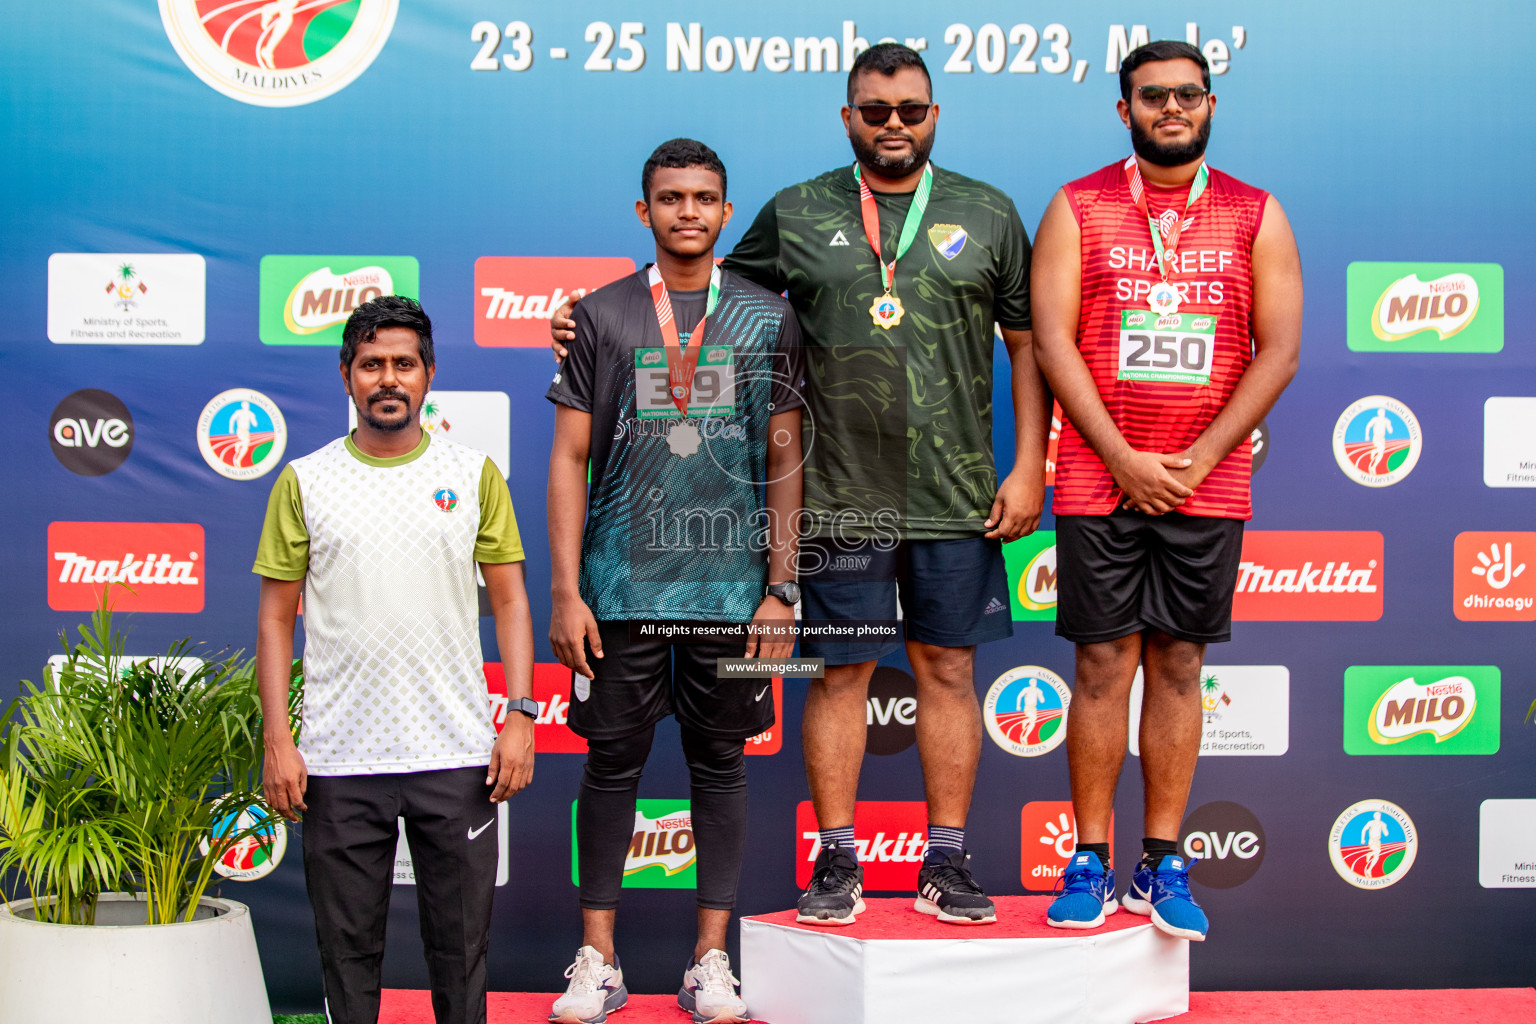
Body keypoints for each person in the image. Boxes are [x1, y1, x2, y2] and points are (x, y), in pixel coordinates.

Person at [553, 44, 1047, 928]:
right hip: (835, 495)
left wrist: (1029, 463)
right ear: (848, 115)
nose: (894, 123)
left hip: (956, 492)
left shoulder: (990, 211)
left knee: (947, 668)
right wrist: (587, 324)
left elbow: (1027, 346)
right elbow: (706, 296)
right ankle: (838, 862)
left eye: (912, 109)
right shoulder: (796, 211)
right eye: (875, 109)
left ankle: (947, 860)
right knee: (844, 672)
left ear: (935, 114)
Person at [1032, 40, 1302, 942]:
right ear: (1126, 111)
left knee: (1180, 665)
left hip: (1207, 484)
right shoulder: (1079, 206)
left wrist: (1196, 458)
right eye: (1154, 97)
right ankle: (1089, 861)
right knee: (1103, 665)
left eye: (1188, 95)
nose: (1172, 109)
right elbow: (1053, 342)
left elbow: (1281, 351)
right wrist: (1120, 457)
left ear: (1211, 103)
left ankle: (1162, 861)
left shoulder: (1255, 213)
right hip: (1095, 477)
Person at [545, 138, 804, 1024]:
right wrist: (566, 590)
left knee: (720, 767)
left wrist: (781, 587)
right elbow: (570, 456)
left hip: (732, 597)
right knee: (611, 767)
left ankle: (709, 963)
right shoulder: (604, 315)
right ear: (643, 211)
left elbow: (781, 453)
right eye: (669, 197)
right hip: (618, 588)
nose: (687, 211)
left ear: (727, 213)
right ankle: (599, 960)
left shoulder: (767, 316)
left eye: (703, 198)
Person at [254, 295, 536, 1024]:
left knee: (461, 955)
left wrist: (522, 715)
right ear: (346, 375)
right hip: (338, 761)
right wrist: (279, 741)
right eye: (371, 364)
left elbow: (510, 602)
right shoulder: (305, 481)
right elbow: (275, 620)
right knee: (345, 960)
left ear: (428, 375)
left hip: (455, 755)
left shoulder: (473, 475)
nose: (388, 378)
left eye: (403, 364)